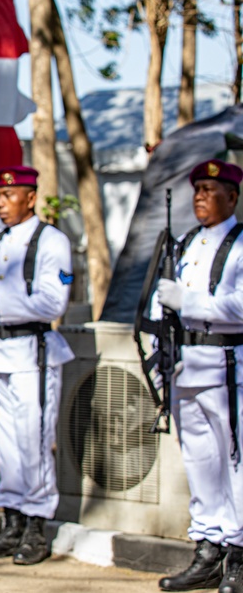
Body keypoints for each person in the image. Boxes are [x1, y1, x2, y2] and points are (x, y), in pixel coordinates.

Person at [0, 166, 74, 565]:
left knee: (33, 442)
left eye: (9, 195)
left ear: (30, 197)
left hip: (33, 351)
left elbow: (52, 303)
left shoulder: (51, 241)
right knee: (7, 445)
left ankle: (36, 526)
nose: (1, 202)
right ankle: (11, 520)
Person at [152, 159, 243, 593]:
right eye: (198, 190)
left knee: (236, 462)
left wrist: (189, 301)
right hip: (187, 365)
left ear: (233, 197)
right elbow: (161, 301)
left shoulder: (242, 244)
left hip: (229, 365)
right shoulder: (187, 242)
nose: (201, 197)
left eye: (211, 189)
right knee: (201, 461)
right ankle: (208, 547)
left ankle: (239, 554)